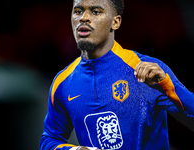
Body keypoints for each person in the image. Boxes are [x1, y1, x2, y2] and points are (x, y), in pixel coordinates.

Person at [40, 0, 194, 150]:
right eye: (78, 11)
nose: (83, 17)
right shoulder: (63, 83)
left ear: (115, 22)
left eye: (95, 11)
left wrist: (167, 86)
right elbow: (49, 140)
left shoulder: (147, 69)